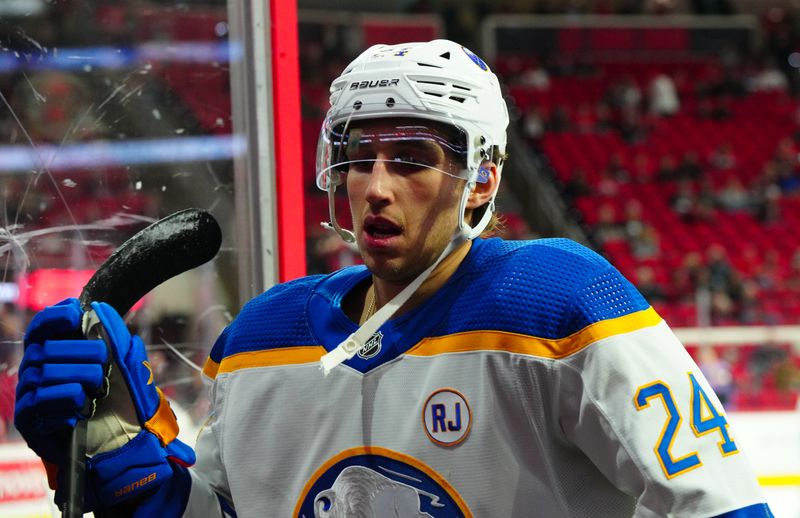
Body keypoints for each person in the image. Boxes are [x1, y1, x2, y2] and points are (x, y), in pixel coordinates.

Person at [14, 40, 773, 517]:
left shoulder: (557, 300)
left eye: (411, 159)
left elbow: (721, 507)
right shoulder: (260, 337)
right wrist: (124, 463)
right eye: (357, 158)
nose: (375, 186)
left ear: (481, 180)